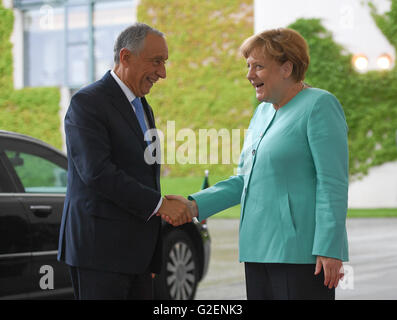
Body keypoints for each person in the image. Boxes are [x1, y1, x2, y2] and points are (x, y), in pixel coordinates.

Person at [163, 28, 349, 300]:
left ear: (287, 68)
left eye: (258, 66)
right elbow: (245, 180)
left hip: (300, 254)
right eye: (248, 66)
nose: (249, 75)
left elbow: (332, 181)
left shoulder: (319, 105)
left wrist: (330, 247)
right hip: (257, 248)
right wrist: (193, 205)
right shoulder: (261, 113)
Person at [57, 23, 193, 300]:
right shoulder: (87, 103)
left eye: (164, 63)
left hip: (138, 258)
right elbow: (97, 173)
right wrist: (160, 205)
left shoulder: (144, 106)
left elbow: (144, 175)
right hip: (100, 254)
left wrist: (150, 256)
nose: (163, 73)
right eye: (156, 62)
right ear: (125, 57)